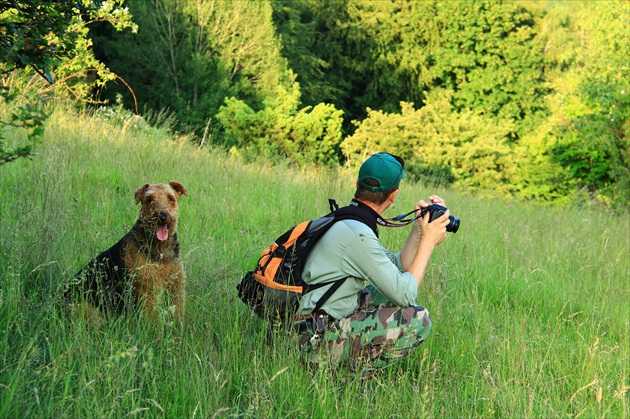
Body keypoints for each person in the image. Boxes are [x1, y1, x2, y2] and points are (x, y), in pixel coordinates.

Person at [294, 152, 450, 373]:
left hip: (311, 321)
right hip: (312, 339)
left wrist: (419, 229)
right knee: (418, 319)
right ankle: (349, 380)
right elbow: (406, 294)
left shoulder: (349, 222)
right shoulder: (358, 235)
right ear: (393, 195)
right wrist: (428, 243)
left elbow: (397, 268)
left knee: (385, 292)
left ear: (357, 184)